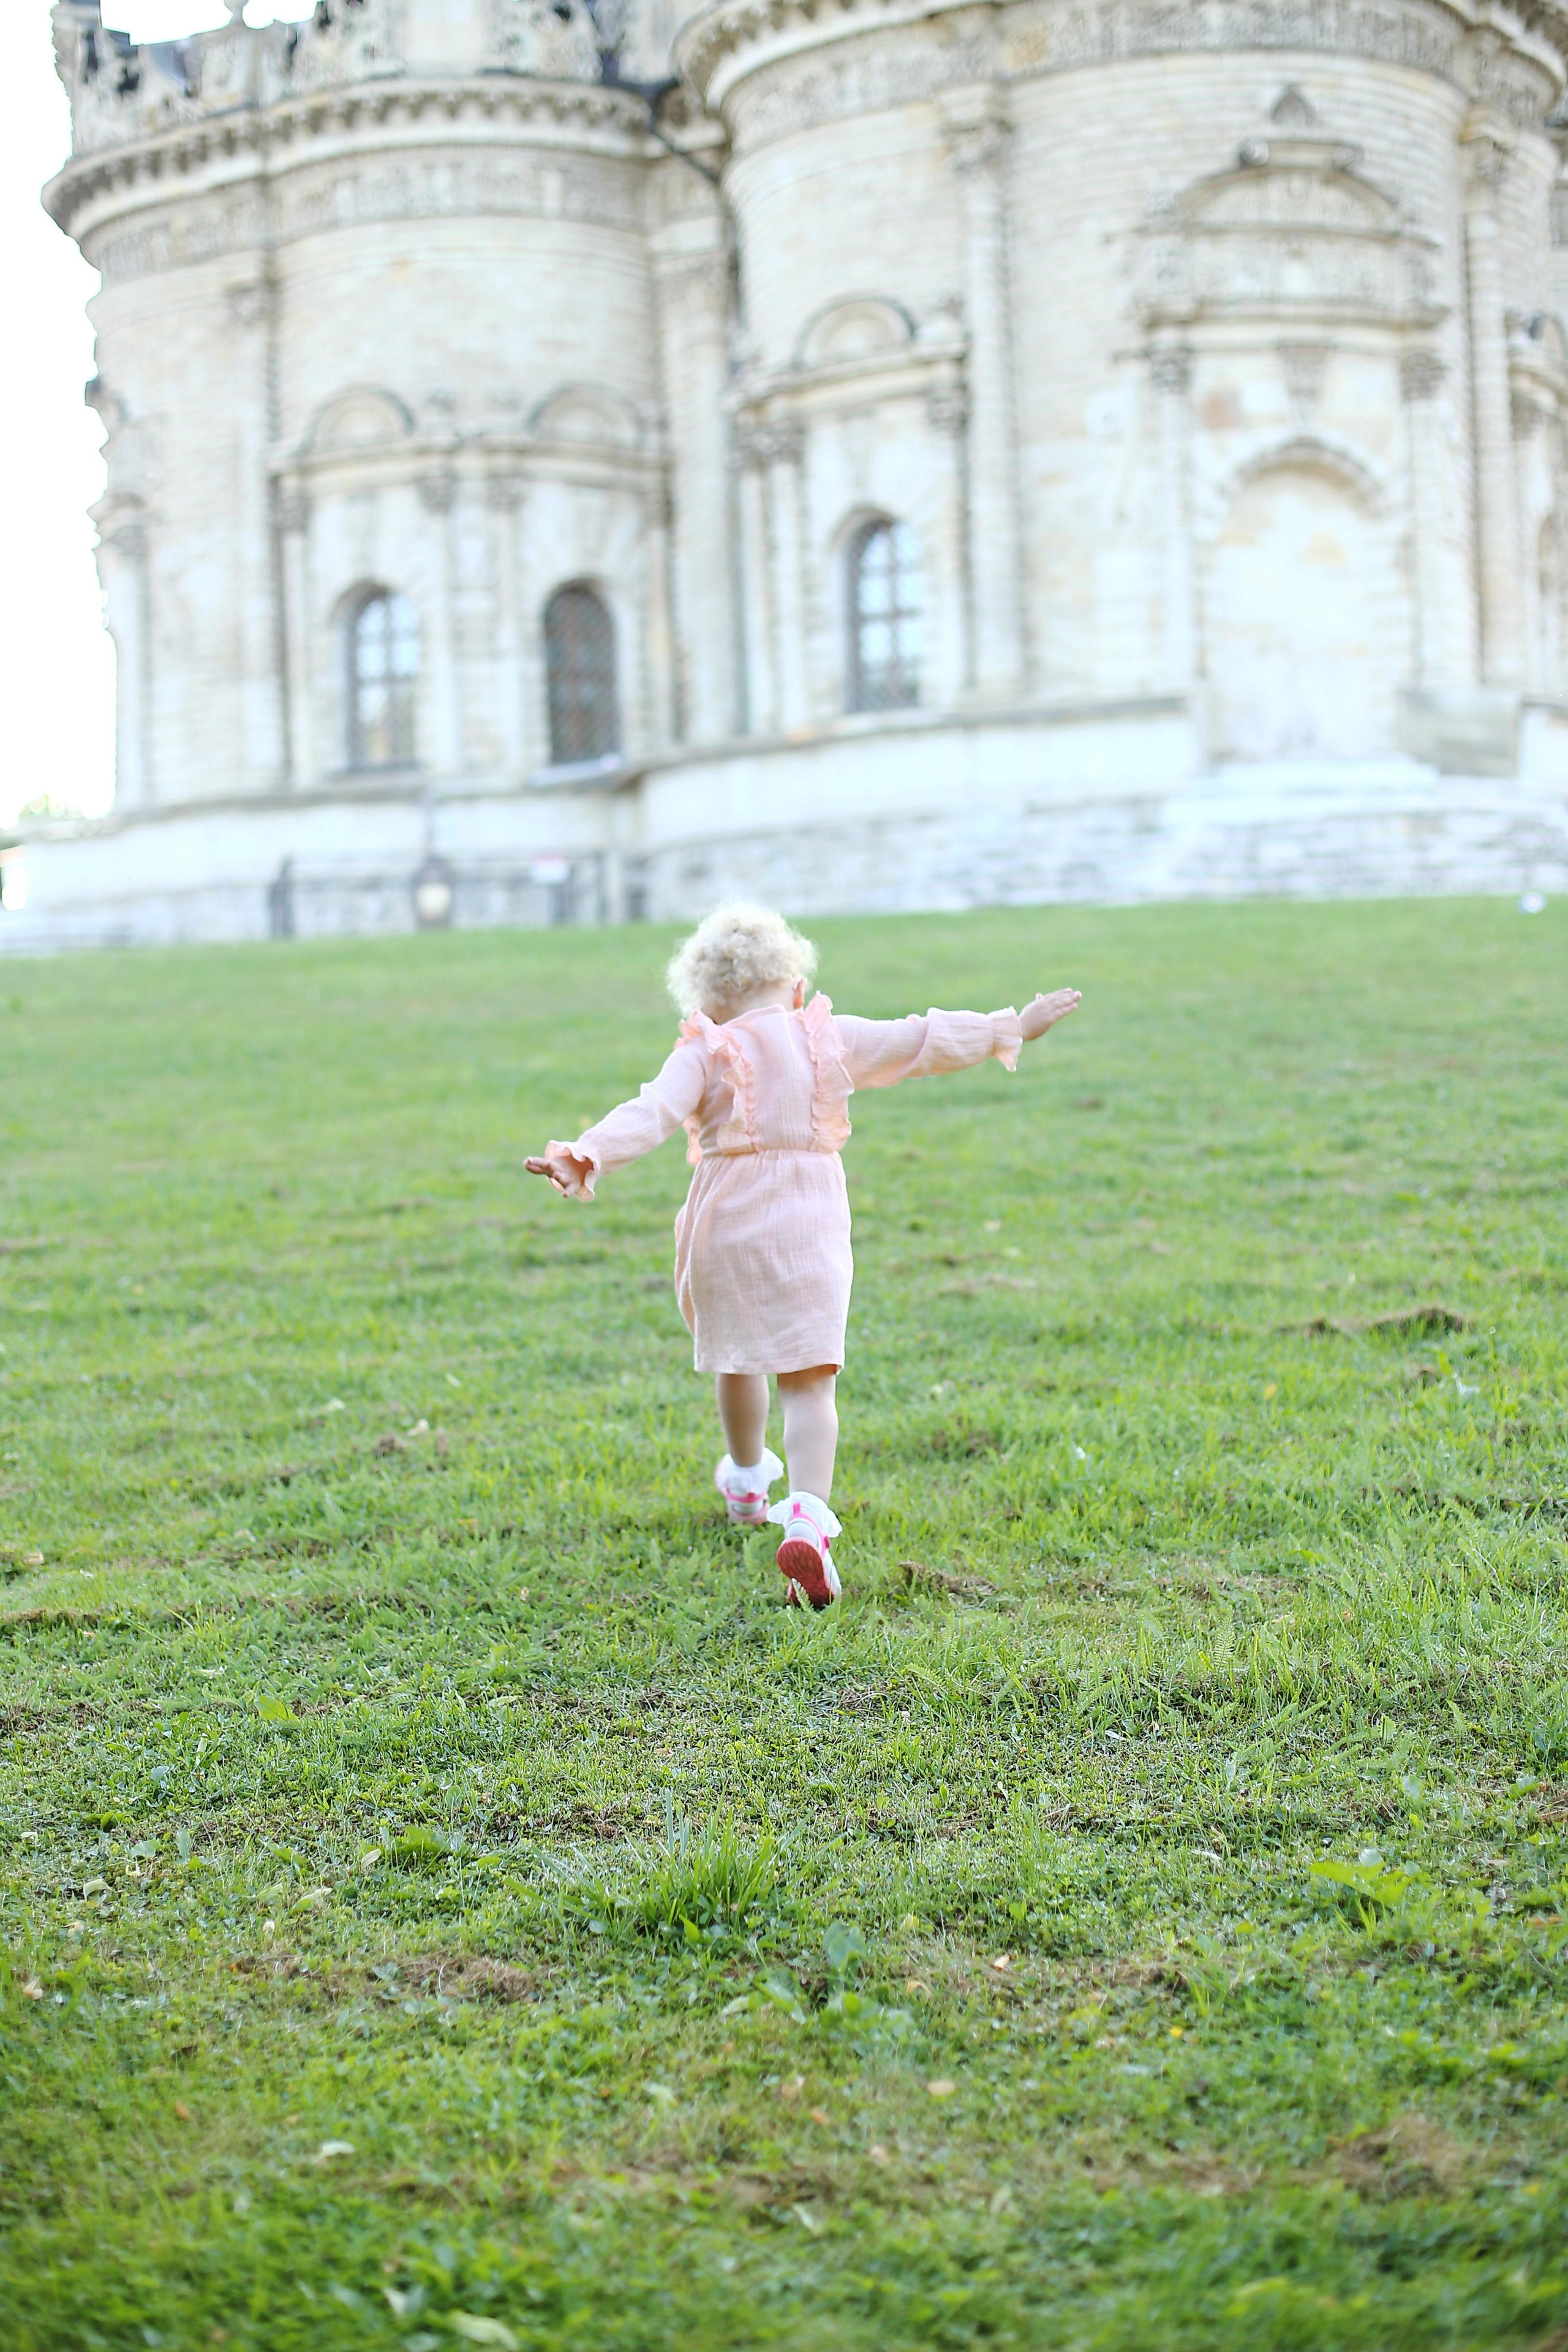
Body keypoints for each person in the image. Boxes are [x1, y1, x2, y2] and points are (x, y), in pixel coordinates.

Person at [526, 905, 1080, 1608]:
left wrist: (585, 1154)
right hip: (810, 1224)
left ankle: (749, 1477)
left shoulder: (705, 1048)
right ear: (794, 985)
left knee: (736, 1355)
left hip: (727, 1226)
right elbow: (921, 1040)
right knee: (810, 1380)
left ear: (708, 1004)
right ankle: (809, 1522)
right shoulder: (830, 1037)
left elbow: (654, 1111)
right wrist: (1011, 1026)